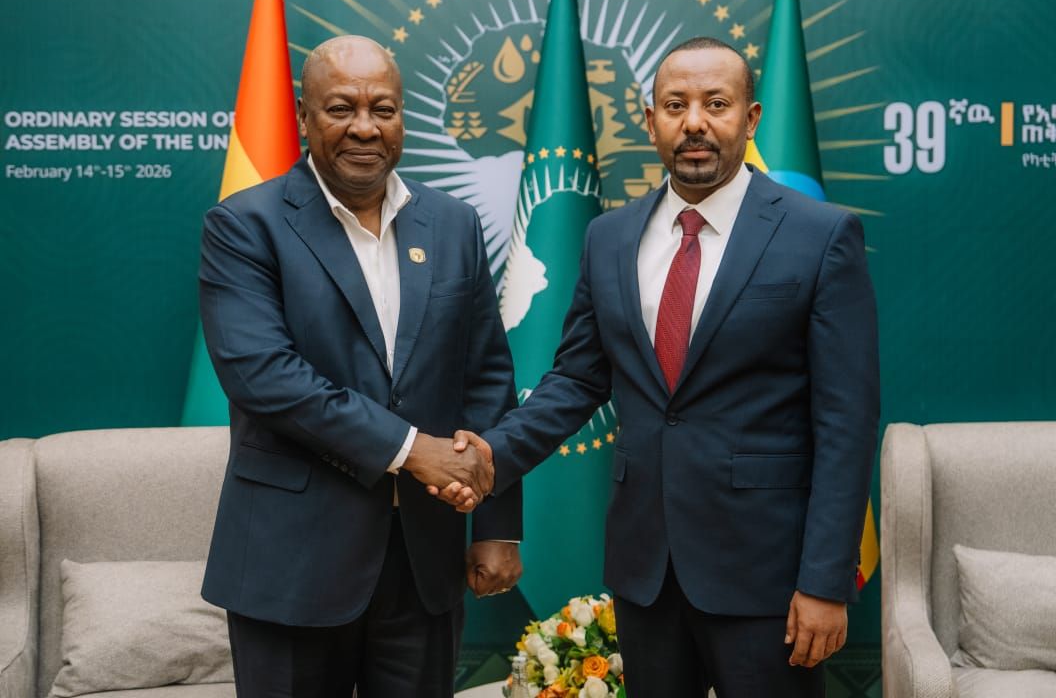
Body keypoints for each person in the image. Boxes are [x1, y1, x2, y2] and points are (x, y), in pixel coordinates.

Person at [437, 36, 879, 696]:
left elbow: (847, 422)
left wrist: (824, 581)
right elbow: (577, 379)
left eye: (716, 104)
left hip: (768, 576)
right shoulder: (608, 237)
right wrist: (490, 456)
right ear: (650, 121)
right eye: (675, 105)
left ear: (751, 118)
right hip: (646, 571)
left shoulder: (821, 235)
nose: (694, 122)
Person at [198, 35, 522, 698]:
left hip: (423, 563)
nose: (365, 128)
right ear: (304, 116)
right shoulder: (245, 225)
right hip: (292, 562)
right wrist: (413, 450)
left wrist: (496, 526)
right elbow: (265, 376)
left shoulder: (453, 224)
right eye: (342, 108)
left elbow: (487, 378)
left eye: (384, 109)